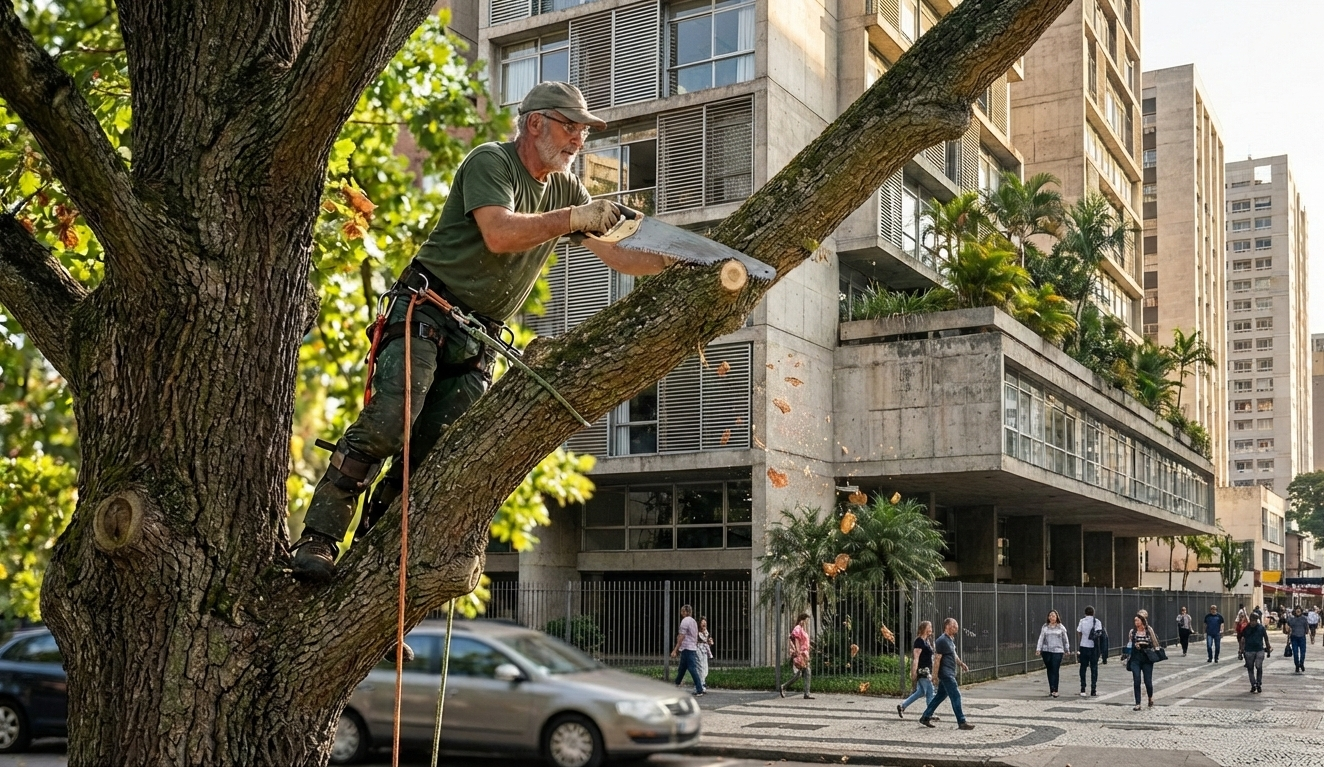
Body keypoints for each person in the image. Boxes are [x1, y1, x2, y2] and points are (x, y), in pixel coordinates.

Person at [290, 81, 669, 584]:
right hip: (426, 310)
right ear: (535, 123)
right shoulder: (491, 162)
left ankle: (368, 563)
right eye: (570, 126)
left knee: (430, 461)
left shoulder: (566, 189)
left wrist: (675, 260)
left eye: (584, 130)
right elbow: (499, 232)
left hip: (478, 338)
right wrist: (575, 217)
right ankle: (319, 536)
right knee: (391, 420)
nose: (579, 139)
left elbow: (616, 254)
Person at [919, 618, 975, 730]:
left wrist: (961, 664)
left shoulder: (950, 640)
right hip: (946, 674)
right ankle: (961, 721)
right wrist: (934, 676)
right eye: (954, 625)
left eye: (956, 625)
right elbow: (937, 659)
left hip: (949, 672)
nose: (956, 627)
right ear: (947, 626)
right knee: (956, 695)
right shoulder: (942, 640)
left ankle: (925, 717)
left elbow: (953, 655)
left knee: (940, 696)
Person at [897, 621, 939, 720]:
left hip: (927, 669)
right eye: (929, 627)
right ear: (923, 628)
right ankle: (929, 713)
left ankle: (902, 706)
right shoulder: (919, 641)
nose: (931, 629)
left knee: (920, 692)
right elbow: (916, 658)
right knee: (930, 691)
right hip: (923, 671)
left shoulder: (927, 641)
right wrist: (914, 672)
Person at [1036, 610, 1073, 698]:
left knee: (1055, 669)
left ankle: (1055, 689)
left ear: (1057, 617)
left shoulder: (1061, 627)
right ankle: (1051, 688)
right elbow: (1041, 638)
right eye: (1050, 616)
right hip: (1046, 650)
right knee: (1049, 669)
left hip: (1057, 651)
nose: (1051, 617)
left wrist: (1067, 649)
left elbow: (1065, 639)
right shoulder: (1045, 627)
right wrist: (1038, 649)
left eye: (1053, 616)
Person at [1127, 613, 1160, 710]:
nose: (1136, 622)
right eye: (1135, 620)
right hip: (1135, 658)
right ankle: (1138, 703)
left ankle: (1150, 697)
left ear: (1142, 621)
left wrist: (1147, 645)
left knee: (1147, 681)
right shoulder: (1132, 632)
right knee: (1136, 680)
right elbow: (1130, 643)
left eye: (1137, 620)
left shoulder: (1149, 630)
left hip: (1147, 658)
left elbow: (1155, 643)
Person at [670, 604, 703, 695]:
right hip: (691, 647)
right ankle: (676, 683)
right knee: (682, 668)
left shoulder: (684, 621)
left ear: (686, 612)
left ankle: (699, 689)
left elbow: (681, 636)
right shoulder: (693, 621)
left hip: (687, 647)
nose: (681, 613)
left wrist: (675, 649)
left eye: (682, 611)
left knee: (692, 668)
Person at [781, 613, 813, 698]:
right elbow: (796, 639)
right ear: (802, 620)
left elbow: (804, 641)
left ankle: (784, 687)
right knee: (806, 672)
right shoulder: (798, 628)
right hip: (801, 654)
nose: (806, 623)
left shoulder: (802, 629)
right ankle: (806, 694)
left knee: (801, 674)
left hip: (804, 654)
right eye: (806, 620)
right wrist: (798, 652)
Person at [1242, 611, 1272, 694]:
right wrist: (1241, 650)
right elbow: (1243, 640)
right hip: (1249, 650)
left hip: (1259, 650)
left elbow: (1266, 639)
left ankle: (1259, 683)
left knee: (1258, 666)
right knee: (1250, 668)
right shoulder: (1246, 629)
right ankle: (1253, 684)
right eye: (1252, 620)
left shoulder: (1261, 628)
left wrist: (1268, 648)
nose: (1253, 622)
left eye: (1255, 620)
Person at [1076, 606, 1102, 696]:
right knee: (1094, 668)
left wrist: (1084, 637)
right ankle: (1093, 689)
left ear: (1085, 613)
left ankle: (1083, 688)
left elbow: (1079, 632)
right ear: (1093, 613)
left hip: (1083, 646)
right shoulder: (1097, 622)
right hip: (1093, 647)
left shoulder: (1082, 621)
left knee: (1083, 667)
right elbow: (1099, 633)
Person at [1286, 606, 1310, 672]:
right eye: (1297, 611)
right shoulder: (1291, 619)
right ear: (1295, 611)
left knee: (1303, 653)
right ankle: (1297, 665)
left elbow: (1307, 629)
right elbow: (1287, 628)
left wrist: (1306, 632)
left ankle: (1301, 663)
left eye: (1299, 611)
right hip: (1294, 638)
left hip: (1302, 637)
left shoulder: (1304, 619)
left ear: (1301, 611)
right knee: (1295, 653)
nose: (1298, 612)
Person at [695, 617, 715, 690]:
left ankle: (702, 682)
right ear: (699, 624)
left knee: (705, 667)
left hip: (705, 651)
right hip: (698, 650)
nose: (704, 624)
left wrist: (710, 642)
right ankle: (700, 684)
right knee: (700, 667)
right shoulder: (697, 632)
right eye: (702, 622)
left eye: (705, 623)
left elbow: (708, 642)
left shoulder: (706, 632)